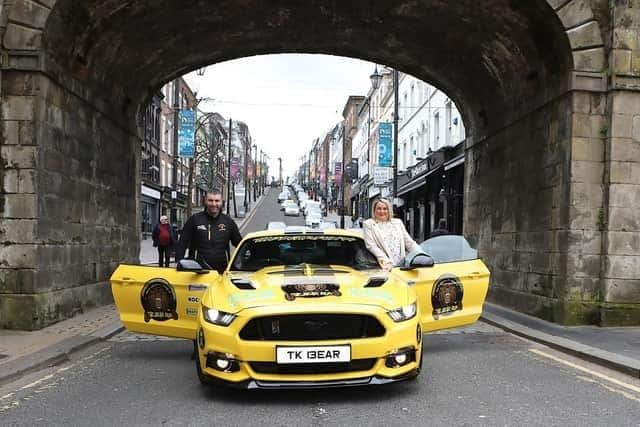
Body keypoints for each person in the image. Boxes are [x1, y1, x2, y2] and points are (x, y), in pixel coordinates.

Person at [175, 189, 243, 274]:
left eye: (217, 201)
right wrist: (178, 262)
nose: (214, 204)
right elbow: (182, 243)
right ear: (205, 201)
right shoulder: (194, 220)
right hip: (198, 272)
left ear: (222, 202)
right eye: (210, 200)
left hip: (222, 272)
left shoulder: (228, 222)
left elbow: (239, 243)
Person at [363, 198, 419, 271]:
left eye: (385, 208)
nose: (382, 211)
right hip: (384, 266)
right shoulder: (368, 224)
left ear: (389, 210)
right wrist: (386, 262)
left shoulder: (398, 222)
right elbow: (371, 246)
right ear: (374, 210)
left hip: (401, 266)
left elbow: (409, 243)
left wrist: (420, 254)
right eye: (379, 209)